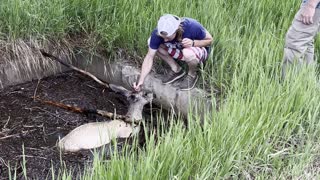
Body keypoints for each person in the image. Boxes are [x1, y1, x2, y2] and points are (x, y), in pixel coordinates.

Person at [133, 14, 213, 91]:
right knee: (151, 42)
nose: (165, 40)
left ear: (176, 30)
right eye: (162, 37)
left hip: (198, 50)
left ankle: (192, 75)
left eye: (167, 37)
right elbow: (149, 57)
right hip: (179, 48)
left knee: (187, 53)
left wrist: (193, 43)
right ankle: (176, 69)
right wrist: (141, 80)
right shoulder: (158, 33)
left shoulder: (192, 26)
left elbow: (210, 40)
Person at [282, 0, 320, 79]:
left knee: (295, 41)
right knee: (306, 41)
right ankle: (305, 82)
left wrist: (310, 5)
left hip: (316, 5)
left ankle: (289, 84)